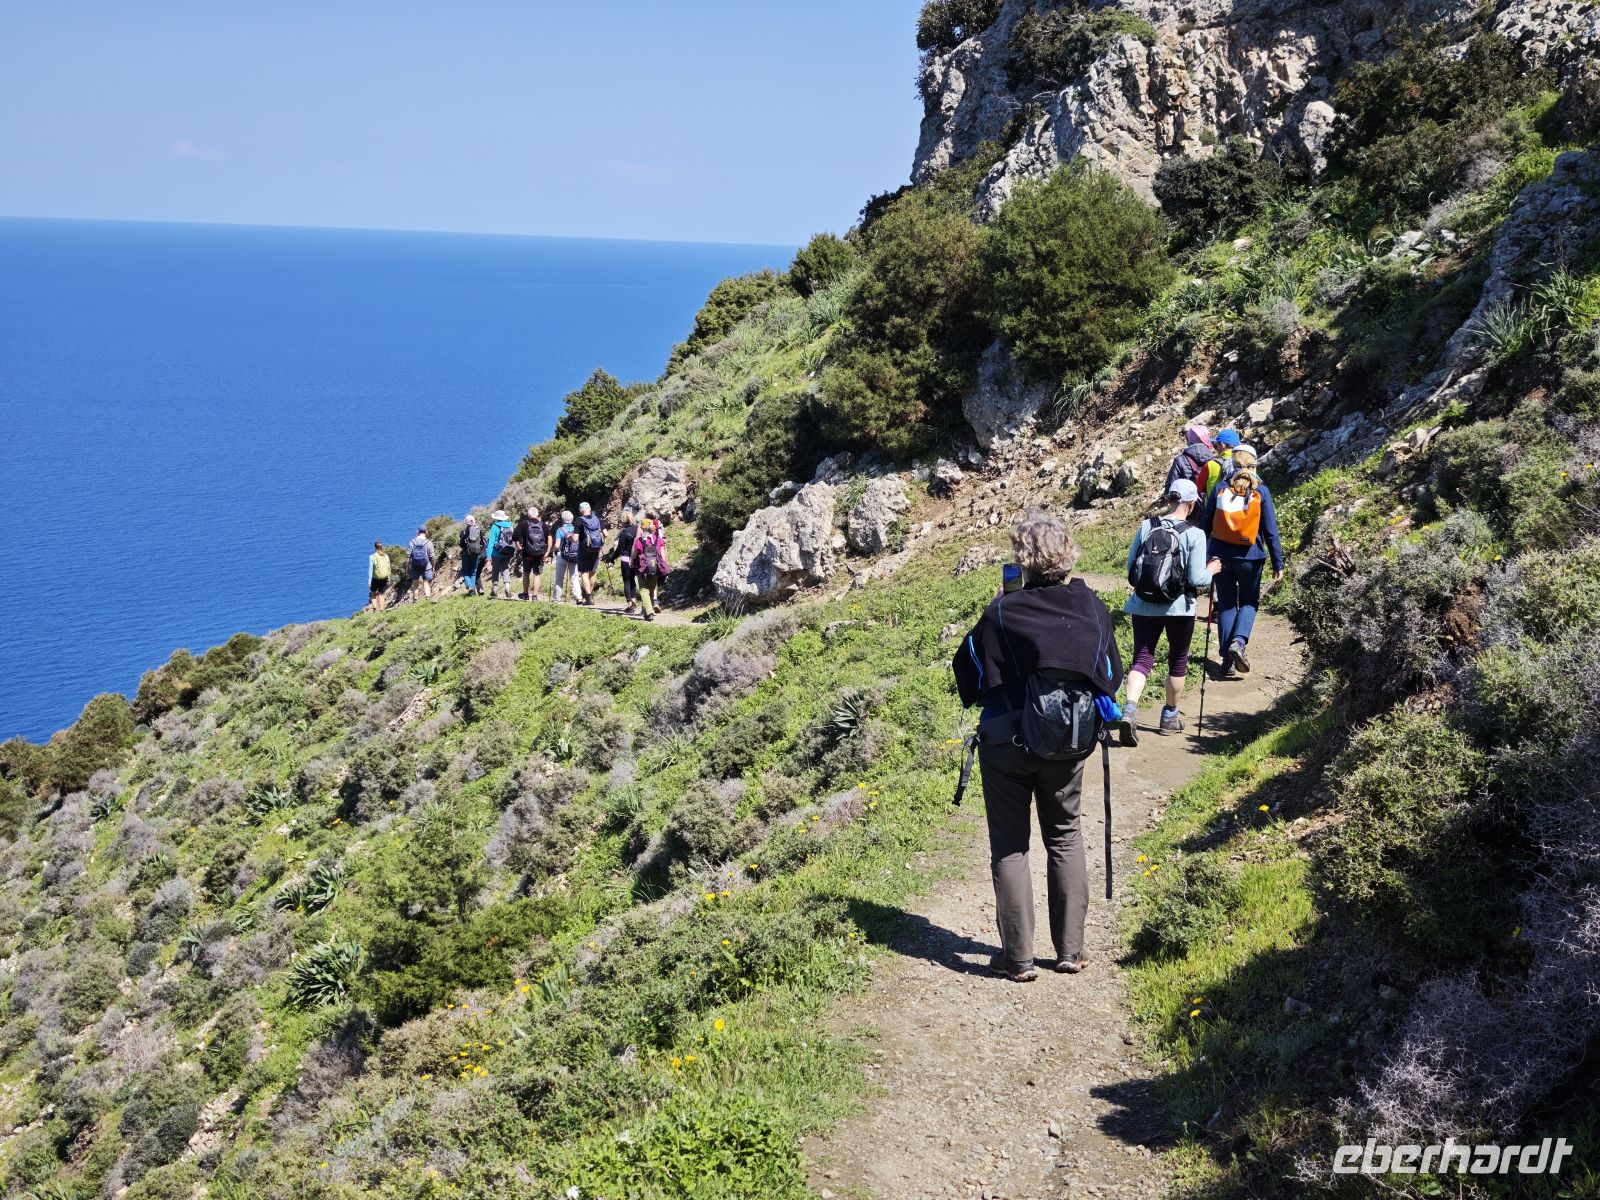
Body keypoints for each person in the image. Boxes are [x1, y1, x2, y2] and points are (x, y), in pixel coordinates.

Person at [950, 511, 1125, 982]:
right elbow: (1112, 673)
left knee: (1010, 847)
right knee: (1065, 835)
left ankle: (1019, 959)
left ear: (1022, 561)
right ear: (1068, 555)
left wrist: (998, 610)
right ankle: (1070, 951)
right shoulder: (1091, 606)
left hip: (1006, 743)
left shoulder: (1003, 611)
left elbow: (966, 674)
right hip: (1068, 742)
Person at [1119, 479, 1217, 743]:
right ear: (1192, 502)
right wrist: (1212, 570)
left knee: (1142, 658)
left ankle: (1130, 708)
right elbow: (1198, 580)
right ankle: (1169, 717)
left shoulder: (1146, 526)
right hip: (1179, 608)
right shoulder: (1194, 534)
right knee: (1178, 659)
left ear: (1169, 499)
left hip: (1143, 604)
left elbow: (1131, 571)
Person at [1201, 465, 1284, 676]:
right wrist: (1278, 563)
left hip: (1220, 556)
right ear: (1254, 465)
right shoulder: (1260, 491)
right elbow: (1270, 530)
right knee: (1249, 602)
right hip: (1251, 557)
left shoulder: (1220, 488)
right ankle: (1238, 642)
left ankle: (1227, 663)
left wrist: (1203, 556)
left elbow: (1205, 524)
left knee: (1227, 605)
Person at [1164, 422, 1220, 496]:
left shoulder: (1180, 460)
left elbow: (1170, 487)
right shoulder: (1214, 460)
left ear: (1189, 439)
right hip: (1207, 503)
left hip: (1187, 503)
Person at [632, 512, 670, 621]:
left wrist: (631, 562)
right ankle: (649, 607)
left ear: (642, 528)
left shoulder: (638, 541)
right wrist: (664, 565)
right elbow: (662, 554)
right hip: (654, 567)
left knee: (643, 589)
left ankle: (649, 612)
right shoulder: (658, 539)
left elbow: (634, 554)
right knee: (651, 589)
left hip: (642, 568)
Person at [607, 508, 641, 614]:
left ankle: (630, 604)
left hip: (626, 559)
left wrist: (611, 559)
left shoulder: (623, 533)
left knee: (627, 581)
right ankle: (634, 601)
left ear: (622, 521)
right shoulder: (637, 529)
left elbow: (619, 550)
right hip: (636, 559)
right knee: (633, 580)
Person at [514, 506, 546, 601]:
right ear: (537, 514)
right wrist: (547, 551)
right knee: (537, 574)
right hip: (539, 554)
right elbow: (549, 537)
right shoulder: (542, 524)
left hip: (527, 553)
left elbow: (515, 536)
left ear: (529, 515)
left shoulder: (524, 524)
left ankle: (525, 594)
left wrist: (519, 546)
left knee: (526, 573)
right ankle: (535, 596)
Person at [483, 509, 517, 600]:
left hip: (496, 553)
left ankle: (494, 590)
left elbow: (491, 542)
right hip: (507, 552)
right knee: (505, 569)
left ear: (496, 518)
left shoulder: (494, 527)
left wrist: (489, 556)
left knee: (495, 571)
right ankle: (507, 588)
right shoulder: (510, 525)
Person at [576, 501, 604, 605]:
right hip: (596, 549)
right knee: (592, 572)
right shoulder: (597, 519)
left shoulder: (579, 521)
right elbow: (605, 533)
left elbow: (575, 538)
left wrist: (569, 537)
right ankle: (590, 596)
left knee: (584, 573)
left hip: (584, 549)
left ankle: (588, 597)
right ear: (590, 509)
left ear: (580, 510)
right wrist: (601, 542)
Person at [552, 510, 582, 603]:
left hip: (562, 556)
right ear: (572, 518)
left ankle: (557, 598)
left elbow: (557, 545)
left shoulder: (560, 530)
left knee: (559, 577)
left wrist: (553, 550)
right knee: (574, 577)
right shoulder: (576, 529)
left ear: (562, 519)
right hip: (574, 555)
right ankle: (579, 597)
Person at [458, 514, 484, 596]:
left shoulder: (464, 532)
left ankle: (469, 587)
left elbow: (461, 544)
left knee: (465, 572)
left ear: (466, 522)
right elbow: (482, 542)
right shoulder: (478, 530)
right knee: (473, 572)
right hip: (476, 554)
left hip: (466, 554)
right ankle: (473, 593)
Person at [407, 527, 436, 600]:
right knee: (426, 582)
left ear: (418, 532)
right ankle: (427, 598)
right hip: (426, 566)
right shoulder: (428, 542)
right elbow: (432, 556)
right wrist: (433, 566)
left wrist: (407, 566)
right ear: (426, 532)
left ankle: (415, 600)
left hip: (415, 566)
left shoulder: (412, 542)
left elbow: (408, 556)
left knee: (415, 583)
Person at [1211, 428, 1241, 493]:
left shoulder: (1211, 464)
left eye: (1216, 446)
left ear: (1222, 445)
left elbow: (1199, 488)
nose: (1215, 449)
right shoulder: (1248, 463)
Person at [366, 541, 391, 612]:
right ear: (381, 547)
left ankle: (374, 608)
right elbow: (388, 568)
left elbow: (370, 570)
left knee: (373, 592)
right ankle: (382, 609)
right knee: (381, 594)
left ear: (374, 548)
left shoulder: (372, 557)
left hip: (375, 578)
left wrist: (369, 581)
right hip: (384, 577)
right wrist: (388, 578)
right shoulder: (386, 556)